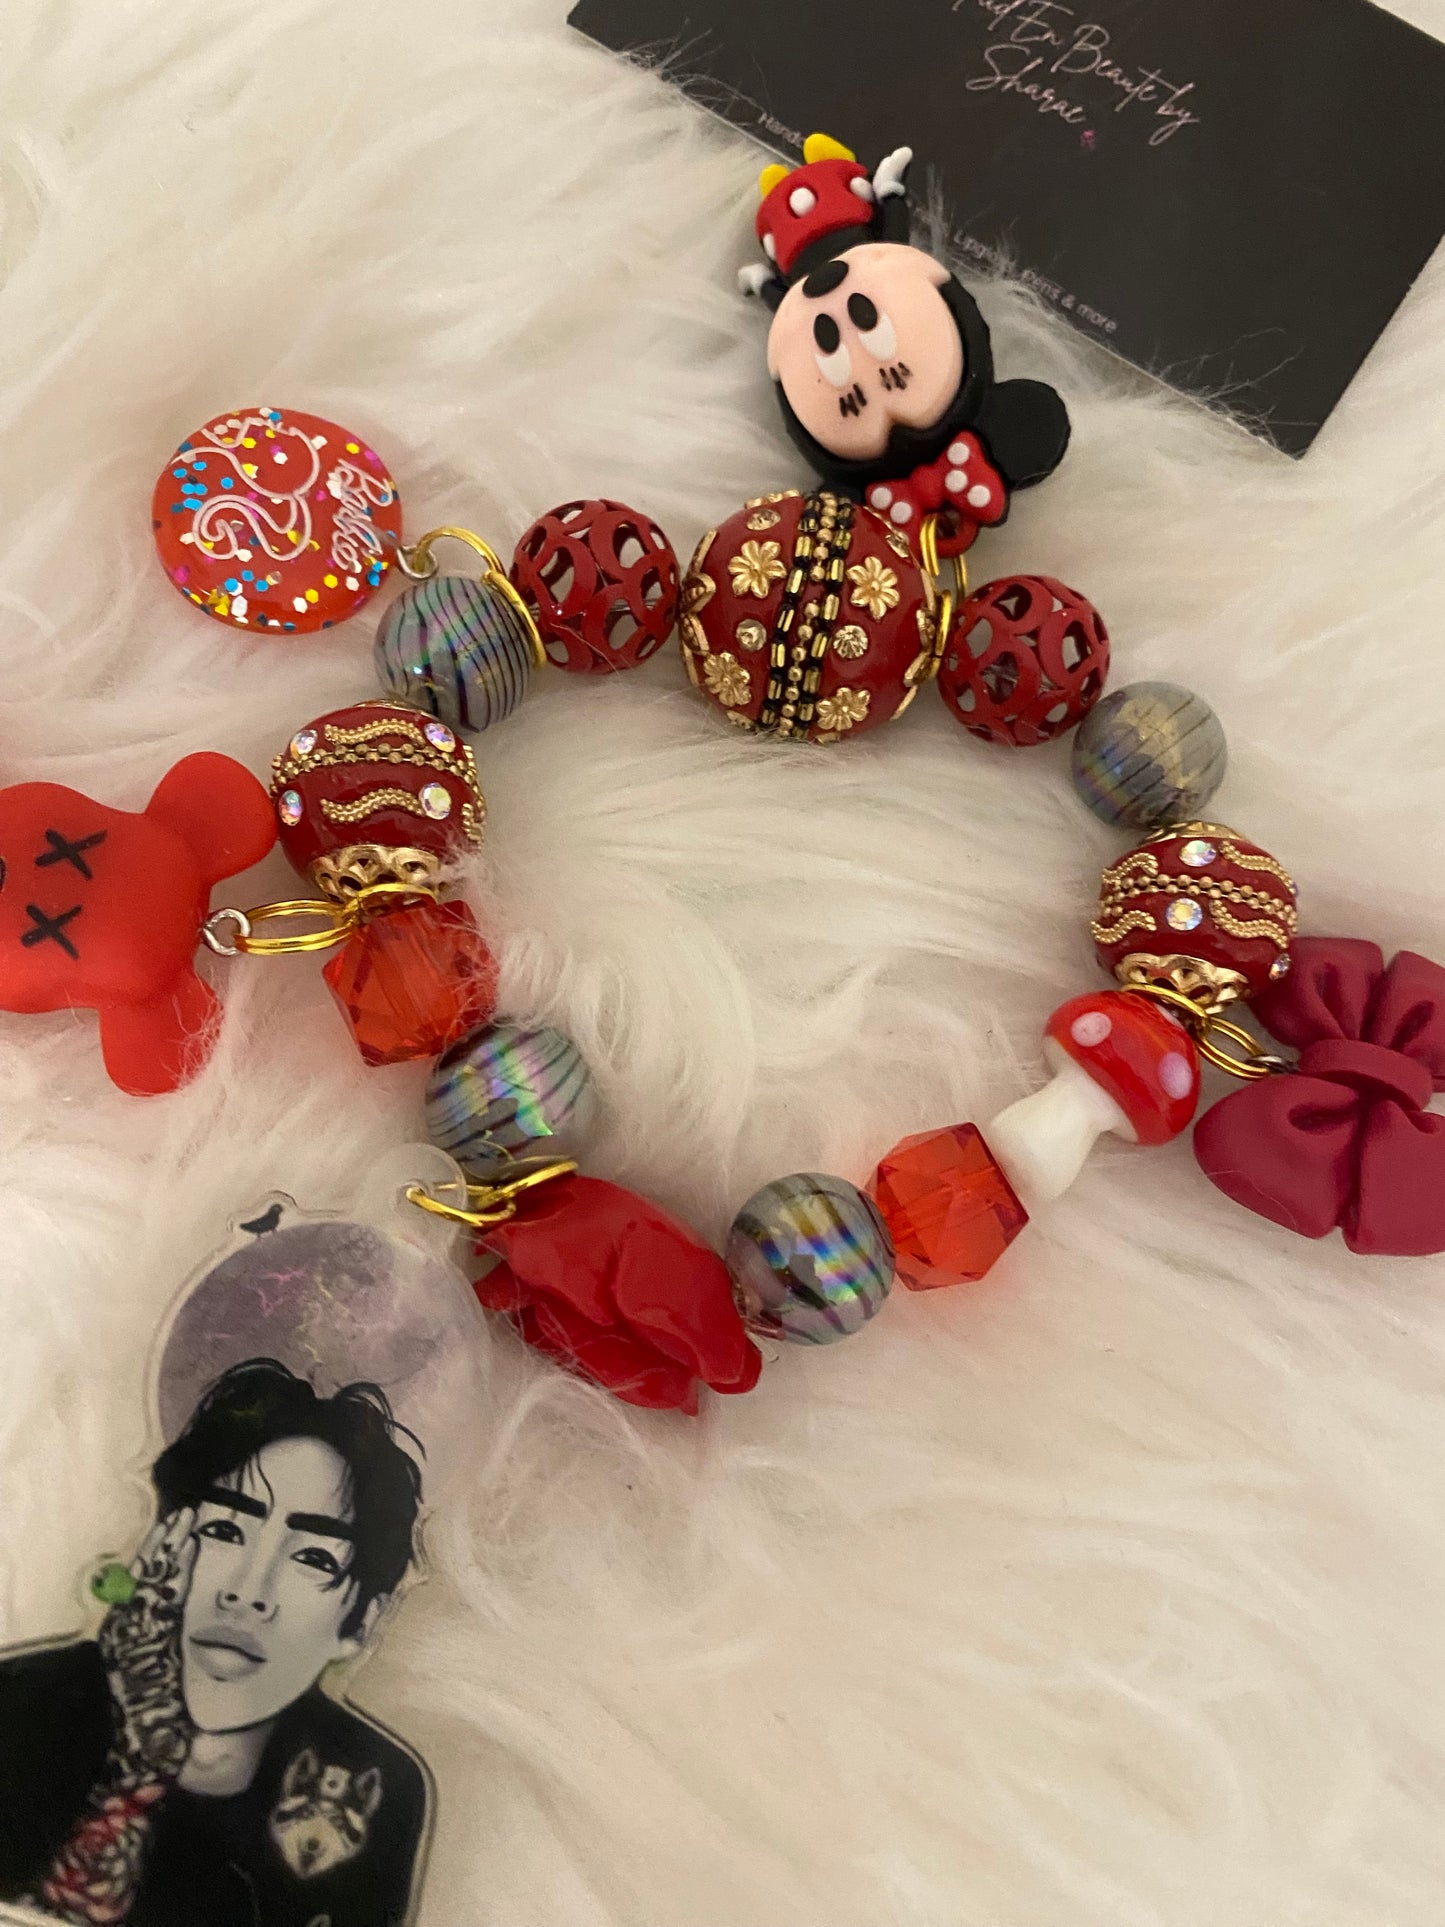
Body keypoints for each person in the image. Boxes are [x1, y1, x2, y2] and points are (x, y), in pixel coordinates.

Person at [0, 1359, 430, 1927]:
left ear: (362, 1622)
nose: (248, 1592)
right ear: (162, 1541)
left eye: (313, 1558)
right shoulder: (24, 1704)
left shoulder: (378, 1791)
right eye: (224, 1531)